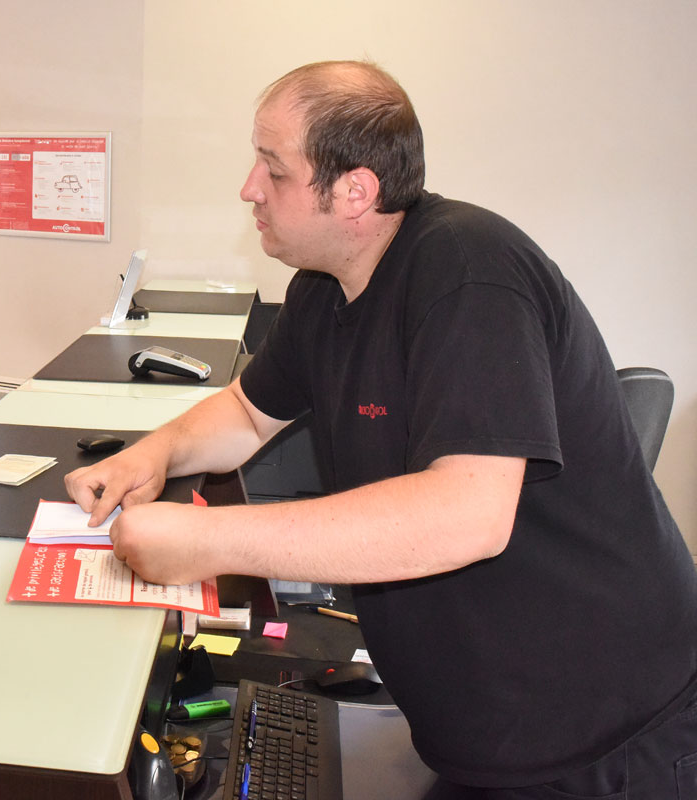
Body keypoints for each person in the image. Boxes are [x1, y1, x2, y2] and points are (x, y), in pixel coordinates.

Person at [65, 61, 697, 798]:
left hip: (601, 739)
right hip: (479, 732)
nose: (249, 188)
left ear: (355, 191)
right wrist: (152, 454)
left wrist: (207, 541)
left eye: (274, 169)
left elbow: (467, 515)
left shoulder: (467, 273)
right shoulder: (324, 285)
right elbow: (246, 411)